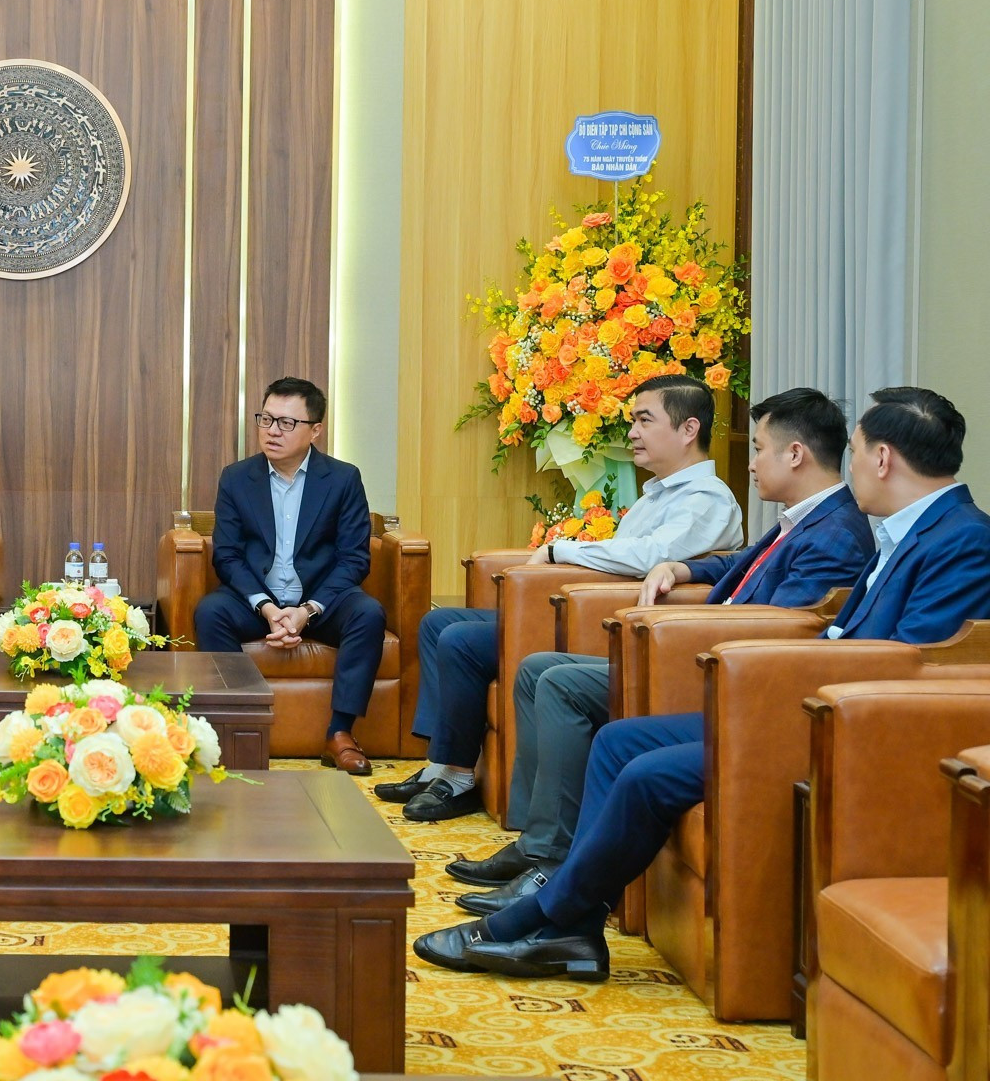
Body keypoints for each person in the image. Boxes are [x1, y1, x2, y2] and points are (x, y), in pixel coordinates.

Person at [415, 386, 990, 980]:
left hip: (851, 728)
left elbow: (910, 663)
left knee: (645, 774)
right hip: (812, 703)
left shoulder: (961, 540)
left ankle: (547, 919)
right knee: (619, 741)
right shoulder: (907, 529)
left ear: (883, 458)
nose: (851, 467)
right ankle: (574, 925)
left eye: (858, 451)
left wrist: (803, 671)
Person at [448, 388, 873, 912]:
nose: (752, 462)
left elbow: (781, 635)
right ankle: (543, 846)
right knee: (539, 668)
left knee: (560, 682)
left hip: (722, 674)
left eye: (759, 448)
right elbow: (741, 565)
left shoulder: (834, 535)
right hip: (702, 656)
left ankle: (552, 863)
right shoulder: (805, 521)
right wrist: (682, 567)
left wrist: (692, 628)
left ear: (795, 454)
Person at [383, 374, 744, 822]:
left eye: (643, 420)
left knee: (459, 640)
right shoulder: (658, 494)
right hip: (596, 607)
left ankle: (457, 778)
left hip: (616, 623)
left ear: (689, 429)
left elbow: (650, 555)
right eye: (632, 420)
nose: (631, 432)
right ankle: (442, 762)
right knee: (438, 623)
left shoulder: (706, 498)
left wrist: (560, 549)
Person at [193, 377, 389, 776]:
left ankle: (340, 734)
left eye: (286, 423)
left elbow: (354, 559)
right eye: (266, 419)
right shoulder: (236, 478)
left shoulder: (343, 479)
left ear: (315, 430)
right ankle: (235, 726)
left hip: (321, 599)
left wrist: (308, 610)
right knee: (211, 611)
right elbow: (227, 556)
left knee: (368, 614)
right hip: (258, 598)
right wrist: (266, 607)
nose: (272, 431)